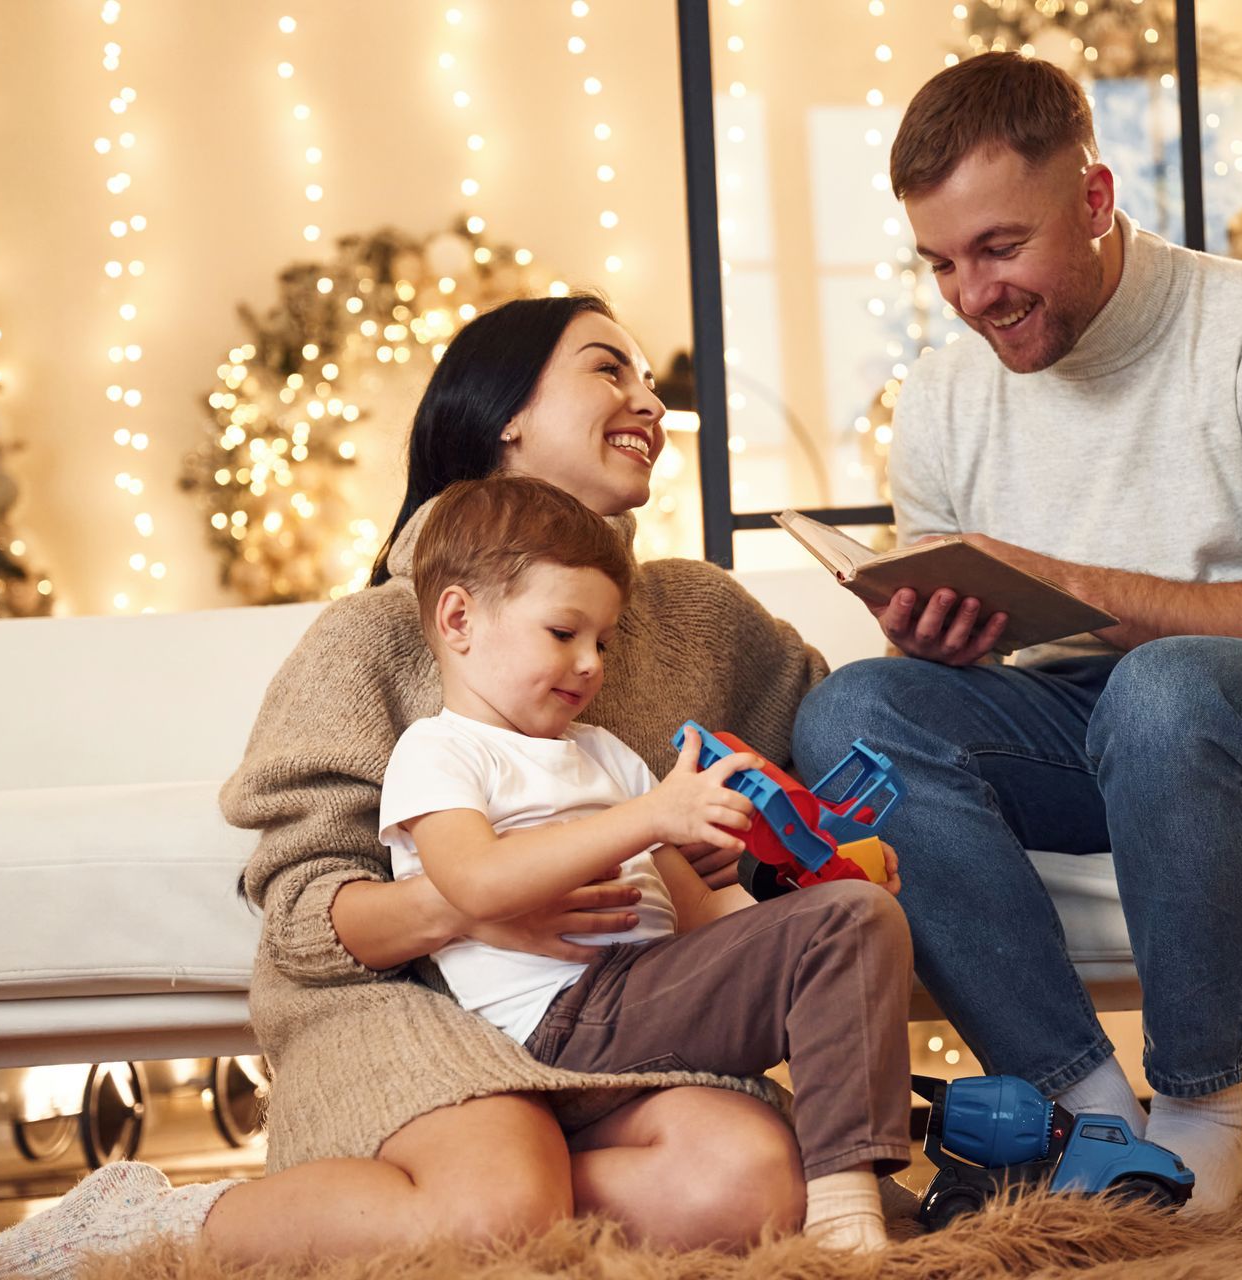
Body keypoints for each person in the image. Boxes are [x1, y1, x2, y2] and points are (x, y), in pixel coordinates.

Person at [0, 294, 833, 1279]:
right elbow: (310, 918)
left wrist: (762, 834)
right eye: (609, 369)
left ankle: (472, 1201)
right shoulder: (369, 633)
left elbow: (815, 749)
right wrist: (483, 898)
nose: (649, 400)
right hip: (406, 994)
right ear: (506, 413)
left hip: (612, 1004)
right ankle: (155, 1224)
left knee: (748, 1186)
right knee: (497, 1202)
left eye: (651, 381)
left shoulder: (701, 612)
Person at [791, 52, 1242, 1215]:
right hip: (1077, 731)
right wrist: (945, 633)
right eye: (941, 263)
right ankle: (1092, 1116)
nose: (973, 294)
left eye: (999, 248)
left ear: (1093, 198)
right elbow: (959, 675)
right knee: (851, 711)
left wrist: (1069, 582)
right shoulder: (940, 396)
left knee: (1167, 691)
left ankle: (1196, 1115)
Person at [383, 472, 911, 1251]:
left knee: (857, 916)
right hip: (559, 1024)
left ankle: (844, 1184)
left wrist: (817, 903)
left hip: (642, 999)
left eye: (603, 640)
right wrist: (649, 815)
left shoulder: (604, 755)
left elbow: (698, 918)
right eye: (564, 634)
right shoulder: (440, 751)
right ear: (459, 619)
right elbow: (474, 883)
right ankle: (847, 1209)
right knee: (843, 925)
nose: (591, 663)